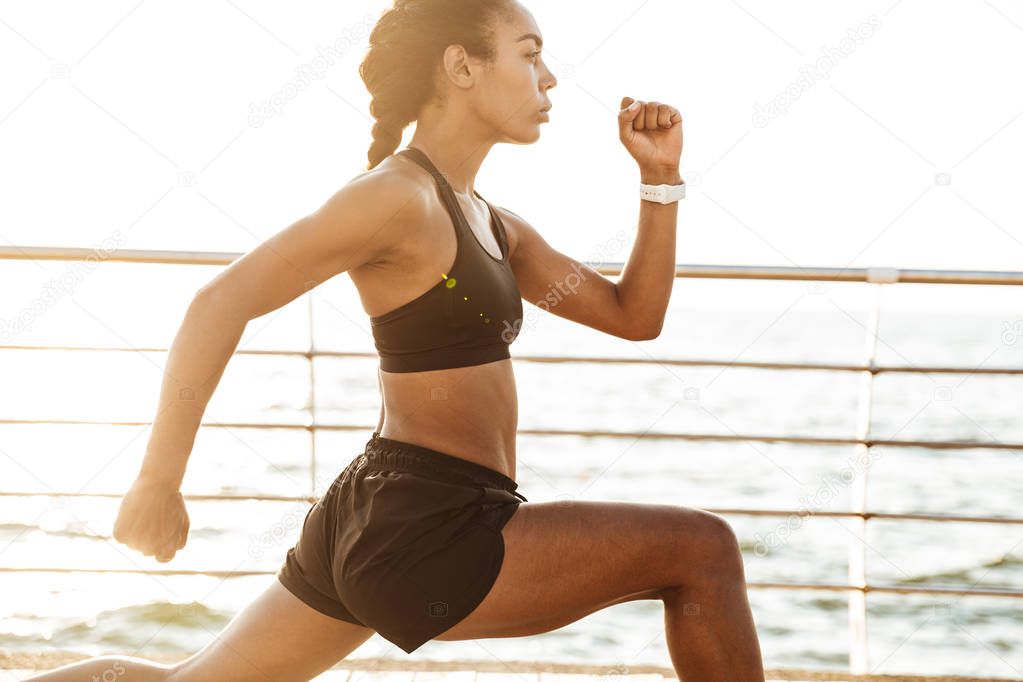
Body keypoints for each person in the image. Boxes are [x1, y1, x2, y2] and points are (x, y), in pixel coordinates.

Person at [27, 1, 766, 680]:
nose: (548, 77)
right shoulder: (394, 199)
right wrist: (158, 482)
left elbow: (633, 315)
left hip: (382, 512)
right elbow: (217, 304)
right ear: (461, 67)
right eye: (528, 54)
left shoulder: (492, 223)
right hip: (422, 528)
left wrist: (659, 179)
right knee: (701, 551)